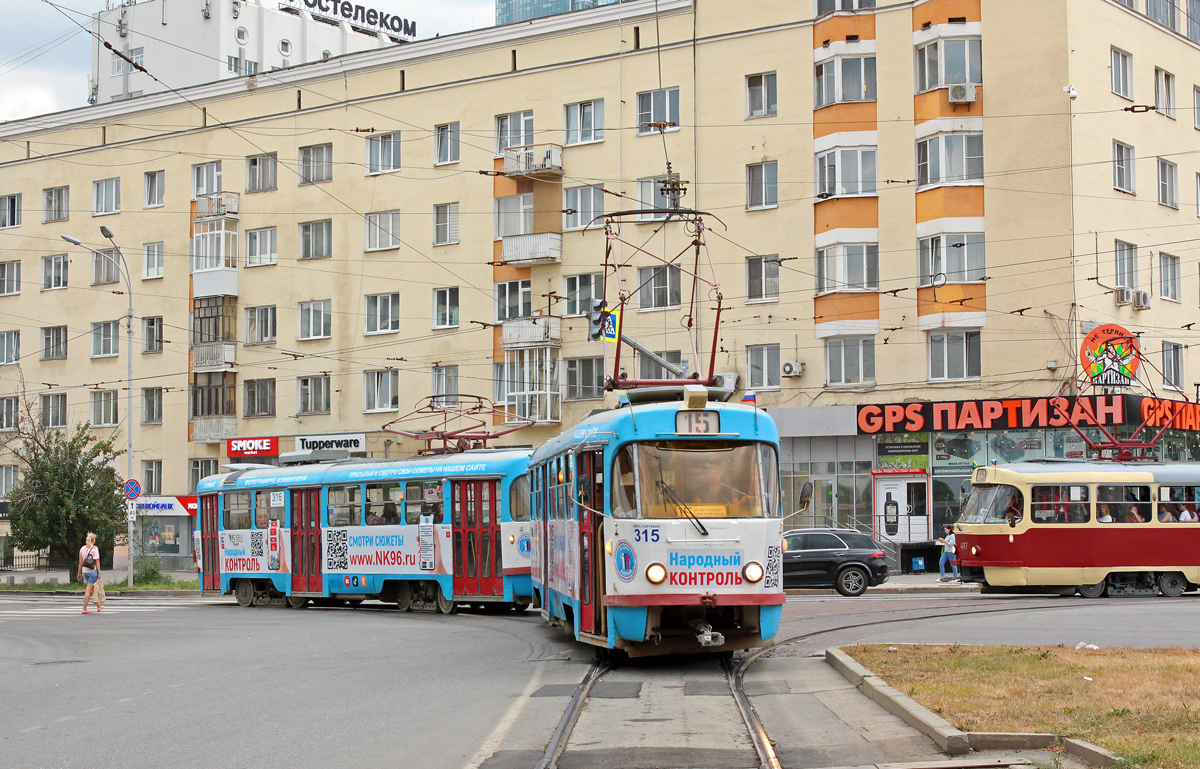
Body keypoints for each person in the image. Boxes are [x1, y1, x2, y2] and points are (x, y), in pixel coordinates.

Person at [77, 532, 102, 614]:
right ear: (93, 540)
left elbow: (80, 562)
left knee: (91, 590)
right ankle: (84, 608)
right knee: (88, 590)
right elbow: (97, 561)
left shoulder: (82, 549)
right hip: (92, 572)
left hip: (85, 572)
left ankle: (98, 606)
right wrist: (99, 573)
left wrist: (79, 573)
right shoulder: (95, 548)